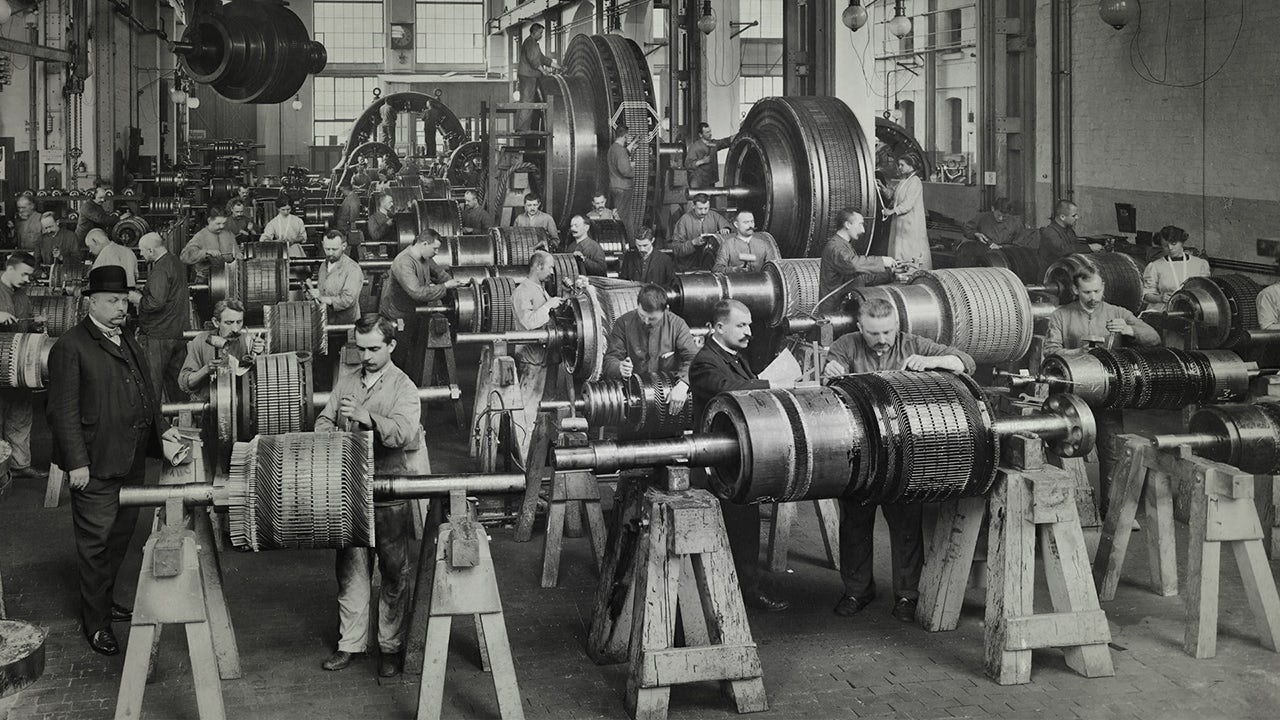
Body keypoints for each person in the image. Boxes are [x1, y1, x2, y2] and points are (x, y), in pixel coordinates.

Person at [47, 265, 181, 656]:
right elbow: (62, 412)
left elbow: (147, 392)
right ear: (91, 302)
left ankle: (103, 603)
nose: (122, 306)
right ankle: (96, 624)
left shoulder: (126, 337)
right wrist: (77, 464)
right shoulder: (70, 346)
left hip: (131, 459)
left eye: (124, 299)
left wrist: (162, 433)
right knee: (95, 545)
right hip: (95, 464)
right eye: (112, 300)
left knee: (120, 538)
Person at [822, 297, 975, 622]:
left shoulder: (913, 344)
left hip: (905, 458)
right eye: (874, 333)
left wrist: (937, 361)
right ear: (861, 328)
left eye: (888, 332)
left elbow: (966, 363)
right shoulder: (845, 346)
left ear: (897, 327)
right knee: (855, 527)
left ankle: (907, 595)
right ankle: (856, 591)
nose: (882, 339)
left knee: (906, 526)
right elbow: (828, 386)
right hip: (860, 457)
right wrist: (829, 371)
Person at [316, 314, 422, 678]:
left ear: (391, 346)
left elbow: (405, 433)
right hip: (350, 490)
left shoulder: (404, 387)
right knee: (350, 570)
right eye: (360, 349)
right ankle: (350, 644)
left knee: (393, 572)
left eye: (374, 348)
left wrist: (369, 419)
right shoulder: (347, 381)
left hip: (389, 489)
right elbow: (324, 420)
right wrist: (329, 433)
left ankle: (390, 648)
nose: (366, 356)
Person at [689, 299, 790, 612]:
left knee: (744, 527)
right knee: (730, 528)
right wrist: (772, 384)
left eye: (749, 325)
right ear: (720, 327)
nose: (749, 332)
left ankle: (745, 590)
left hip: (740, 458)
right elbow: (729, 389)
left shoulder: (734, 356)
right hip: (717, 464)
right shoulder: (705, 361)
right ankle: (725, 597)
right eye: (741, 325)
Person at [1043, 269, 1159, 520]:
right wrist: (1078, 351)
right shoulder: (1061, 316)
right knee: (1063, 452)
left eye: (1097, 291)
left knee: (1113, 452)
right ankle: (1062, 514)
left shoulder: (1118, 312)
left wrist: (1130, 330)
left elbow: (1154, 338)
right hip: (1071, 395)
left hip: (1107, 395)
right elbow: (1050, 351)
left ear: (1103, 287)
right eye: (1087, 292)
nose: (1093, 297)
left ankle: (1112, 513)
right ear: (1075, 290)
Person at [379, 229, 462, 381]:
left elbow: (437, 272)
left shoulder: (424, 256)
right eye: (435, 248)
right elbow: (416, 292)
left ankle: (413, 382)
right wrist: (445, 287)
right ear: (424, 244)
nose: (437, 252)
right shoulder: (404, 262)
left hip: (415, 312)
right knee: (399, 356)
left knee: (416, 351)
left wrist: (454, 285)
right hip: (399, 317)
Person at [602, 284, 698, 414]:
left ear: (666, 310)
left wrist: (683, 384)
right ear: (638, 306)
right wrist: (619, 367)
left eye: (652, 318)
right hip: (634, 402)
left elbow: (694, 359)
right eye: (642, 316)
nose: (646, 322)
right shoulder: (623, 323)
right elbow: (610, 360)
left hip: (668, 402)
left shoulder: (677, 325)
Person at [511, 251, 563, 458]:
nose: (552, 272)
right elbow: (528, 323)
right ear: (538, 266)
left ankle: (538, 456)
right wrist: (549, 306)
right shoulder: (523, 291)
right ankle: (523, 459)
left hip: (544, 358)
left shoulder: (539, 289)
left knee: (543, 408)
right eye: (549, 267)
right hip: (531, 360)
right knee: (527, 410)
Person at [0, 252, 46, 480]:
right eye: (24, 274)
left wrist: (36, 325)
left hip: (18, 369)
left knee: (20, 416)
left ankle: (20, 465)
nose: (28, 280)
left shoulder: (22, 296)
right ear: (10, 269)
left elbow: (24, 326)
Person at [132, 233, 189, 403]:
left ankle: (153, 426)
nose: (141, 255)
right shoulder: (175, 262)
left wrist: (138, 299)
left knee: (152, 386)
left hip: (158, 336)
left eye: (142, 251)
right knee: (177, 384)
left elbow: (156, 302)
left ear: (151, 249)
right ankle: (183, 420)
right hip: (177, 332)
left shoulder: (160, 269)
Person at [179, 299, 266, 400]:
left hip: (242, 405)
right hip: (208, 404)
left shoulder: (248, 341)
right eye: (229, 323)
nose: (235, 329)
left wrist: (260, 355)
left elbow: (263, 381)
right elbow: (185, 383)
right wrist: (206, 370)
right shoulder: (201, 341)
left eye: (239, 322)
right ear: (216, 322)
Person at [818, 209, 895, 314]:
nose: (863, 230)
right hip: (833, 313)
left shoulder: (844, 245)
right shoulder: (835, 247)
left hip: (842, 309)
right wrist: (882, 261)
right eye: (860, 224)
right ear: (848, 225)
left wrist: (890, 273)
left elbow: (858, 278)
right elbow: (853, 264)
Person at [880, 153, 932, 269]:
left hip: (911, 225)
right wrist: (883, 189)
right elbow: (894, 195)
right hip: (901, 224)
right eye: (899, 165)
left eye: (902, 165)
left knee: (909, 253)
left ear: (911, 166)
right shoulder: (904, 180)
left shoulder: (915, 181)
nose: (899, 168)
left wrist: (891, 211)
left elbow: (907, 205)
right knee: (900, 251)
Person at [1141, 225, 1209, 312]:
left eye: (1173, 244)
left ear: (1182, 242)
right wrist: (1159, 298)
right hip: (1164, 311)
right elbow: (1147, 295)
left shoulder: (1200, 264)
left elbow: (1206, 292)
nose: (1170, 248)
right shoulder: (1154, 266)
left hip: (1194, 310)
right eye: (1165, 245)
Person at [308, 230, 365, 325]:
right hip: (326, 321)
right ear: (323, 245)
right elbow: (322, 291)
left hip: (346, 325)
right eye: (327, 249)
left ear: (344, 246)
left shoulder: (352, 268)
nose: (330, 253)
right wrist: (313, 295)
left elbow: (347, 300)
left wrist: (322, 298)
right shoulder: (323, 266)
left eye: (334, 249)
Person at [1027, 199, 1102, 264]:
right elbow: (1063, 250)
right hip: (1051, 274)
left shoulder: (1069, 230)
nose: (1077, 217)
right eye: (1074, 215)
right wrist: (1089, 247)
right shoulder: (1050, 232)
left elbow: (1075, 246)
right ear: (1062, 217)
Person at [671, 193, 732, 273]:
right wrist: (693, 243)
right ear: (693, 206)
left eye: (706, 208)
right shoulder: (684, 220)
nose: (703, 212)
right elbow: (676, 250)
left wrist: (726, 229)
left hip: (711, 266)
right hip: (689, 268)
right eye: (700, 209)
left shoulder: (714, 215)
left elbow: (730, 229)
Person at [515, 22, 559, 131]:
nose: (541, 35)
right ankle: (522, 129)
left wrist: (559, 67)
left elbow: (543, 59)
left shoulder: (534, 44)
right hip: (528, 77)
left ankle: (524, 127)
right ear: (534, 32)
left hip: (531, 77)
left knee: (529, 102)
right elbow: (534, 61)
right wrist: (544, 72)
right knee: (527, 102)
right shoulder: (530, 43)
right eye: (540, 33)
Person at [180, 209, 240, 282]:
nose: (221, 226)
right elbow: (184, 257)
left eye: (224, 223)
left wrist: (238, 255)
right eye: (218, 223)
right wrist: (206, 253)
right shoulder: (200, 236)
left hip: (228, 279)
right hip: (206, 280)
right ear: (209, 220)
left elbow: (237, 253)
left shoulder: (229, 234)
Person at [712, 210, 779, 274]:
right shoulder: (727, 245)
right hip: (737, 284)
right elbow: (717, 269)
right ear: (736, 224)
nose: (750, 226)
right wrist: (733, 270)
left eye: (752, 222)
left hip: (762, 284)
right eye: (746, 222)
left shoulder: (764, 245)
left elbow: (774, 268)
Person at [685, 122, 734, 190]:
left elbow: (725, 142)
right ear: (700, 135)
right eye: (707, 132)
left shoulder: (713, 144)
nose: (710, 134)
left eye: (710, 131)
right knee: (700, 199)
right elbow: (688, 164)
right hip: (699, 182)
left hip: (710, 180)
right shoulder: (695, 147)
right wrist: (702, 161)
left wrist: (737, 135)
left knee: (711, 198)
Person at [606, 125, 635, 229]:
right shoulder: (621, 151)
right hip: (623, 188)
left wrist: (630, 147)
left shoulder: (612, 149)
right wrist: (634, 168)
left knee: (619, 214)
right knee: (625, 218)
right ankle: (629, 243)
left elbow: (618, 160)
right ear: (626, 136)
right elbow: (625, 171)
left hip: (614, 186)